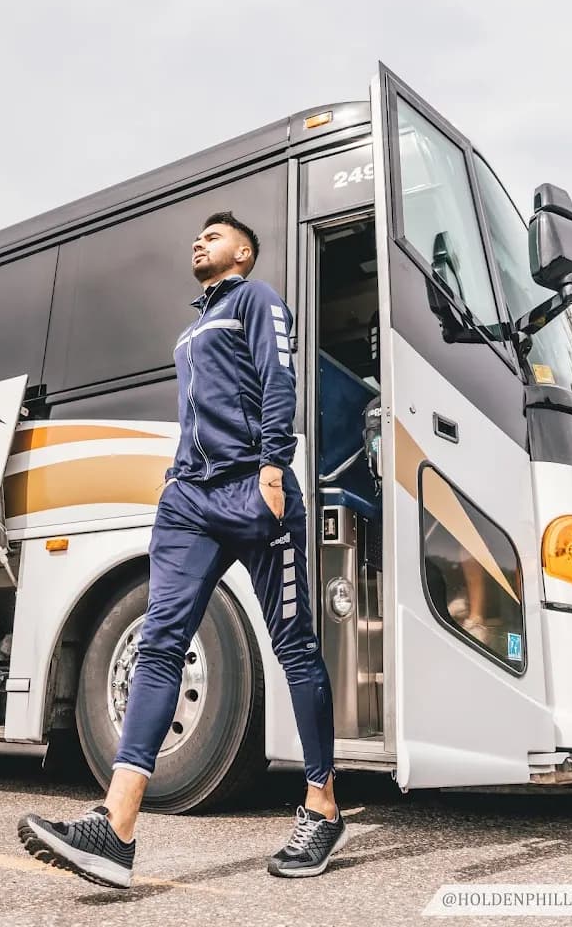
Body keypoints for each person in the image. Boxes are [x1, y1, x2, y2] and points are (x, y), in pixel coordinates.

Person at [18, 212, 346, 887]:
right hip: (190, 501)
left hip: (252, 489)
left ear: (244, 252)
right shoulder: (193, 329)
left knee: (294, 647)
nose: (201, 241)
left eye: (215, 236)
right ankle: (116, 828)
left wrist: (274, 467)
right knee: (159, 642)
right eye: (199, 236)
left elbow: (278, 378)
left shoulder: (256, 300)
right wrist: (175, 482)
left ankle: (322, 805)